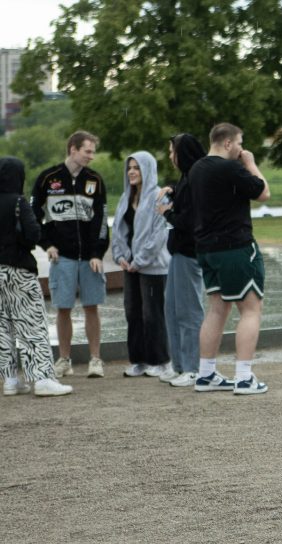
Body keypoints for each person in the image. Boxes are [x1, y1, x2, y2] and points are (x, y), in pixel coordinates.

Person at [189, 122, 271, 394]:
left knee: (217, 308)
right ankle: (245, 377)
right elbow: (263, 192)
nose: (241, 148)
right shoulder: (231, 167)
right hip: (235, 247)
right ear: (227, 143)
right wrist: (250, 163)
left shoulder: (196, 169)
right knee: (250, 309)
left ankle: (206, 373)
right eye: (239, 143)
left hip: (206, 249)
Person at [31, 130, 109, 378]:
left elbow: (102, 220)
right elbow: (34, 217)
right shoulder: (47, 178)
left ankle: (95, 359)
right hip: (61, 257)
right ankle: (64, 359)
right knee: (63, 308)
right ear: (73, 149)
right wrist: (47, 244)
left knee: (91, 307)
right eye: (88, 151)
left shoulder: (95, 180)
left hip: (90, 257)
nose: (91, 156)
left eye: (93, 151)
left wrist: (98, 252)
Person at [0, 156, 73, 397]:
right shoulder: (19, 201)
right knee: (32, 324)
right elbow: (33, 234)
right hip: (19, 270)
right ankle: (41, 378)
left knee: (4, 326)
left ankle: (10, 380)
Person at [111, 151, 172, 378]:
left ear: (148, 170)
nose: (132, 172)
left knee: (153, 314)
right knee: (133, 312)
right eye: (129, 168)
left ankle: (160, 361)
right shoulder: (125, 199)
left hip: (153, 267)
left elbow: (160, 234)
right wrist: (121, 257)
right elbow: (118, 230)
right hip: (130, 267)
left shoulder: (161, 197)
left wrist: (141, 260)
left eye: (137, 167)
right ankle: (139, 360)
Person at [155, 133, 208, 387]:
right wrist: (173, 190)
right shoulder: (187, 177)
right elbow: (185, 199)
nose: (169, 156)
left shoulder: (196, 178)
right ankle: (179, 365)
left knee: (188, 311)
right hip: (179, 253)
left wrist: (167, 213)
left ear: (182, 153)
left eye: (171, 151)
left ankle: (193, 368)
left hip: (189, 253)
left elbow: (189, 220)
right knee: (172, 309)